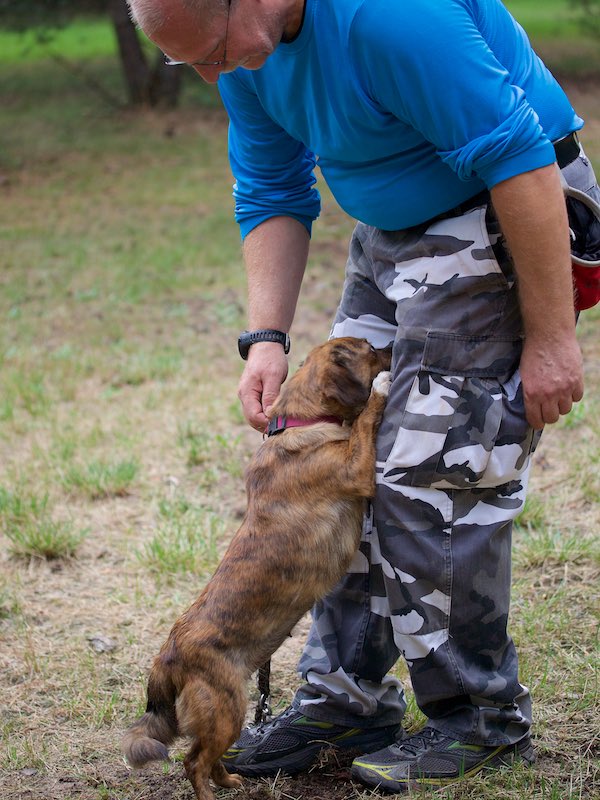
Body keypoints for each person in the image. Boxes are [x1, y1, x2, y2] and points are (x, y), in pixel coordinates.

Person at [127, 0, 599, 792]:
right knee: (324, 463)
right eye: (187, 62)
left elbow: (519, 155)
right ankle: (345, 701)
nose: (210, 74)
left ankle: (481, 718)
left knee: (427, 469)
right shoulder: (246, 53)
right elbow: (272, 186)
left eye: (209, 49)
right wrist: (266, 337)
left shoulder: (388, 15)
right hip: (391, 230)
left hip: (500, 206)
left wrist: (552, 337)